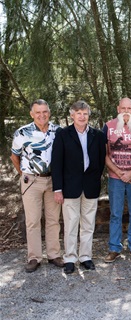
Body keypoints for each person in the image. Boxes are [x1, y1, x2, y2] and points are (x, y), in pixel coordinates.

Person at [52, 101, 106, 274]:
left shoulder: (97, 135)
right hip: (70, 187)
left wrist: (95, 179)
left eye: (85, 113)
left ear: (89, 115)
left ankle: (85, 257)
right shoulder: (63, 134)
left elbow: (100, 160)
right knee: (71, 224)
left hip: (91, 186)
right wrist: (57, 188)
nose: (82, 116)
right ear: (72, 115)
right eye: (78, 113)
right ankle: (70, 258)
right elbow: (57, 163)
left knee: (88, 223)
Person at [10, 99, 64, 273]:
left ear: (49, 112)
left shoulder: (58, 131)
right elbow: (14, 157)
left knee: (53, 219)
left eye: (45, 111)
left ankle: (54, 254)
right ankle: (34, 257)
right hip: (31, 181)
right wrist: (24, 174)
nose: (42, 115)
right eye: (38, 112)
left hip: (53, 181)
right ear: (31, 114)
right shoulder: (22, 133)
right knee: (33, 221)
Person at [103, 98, 131, 263]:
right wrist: (120, 173)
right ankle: (114, 248)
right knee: (115, 214)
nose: (126, 111)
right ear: (118, 108)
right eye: (123, 108)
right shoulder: (108, 126)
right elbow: (104, 155)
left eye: (129, 108)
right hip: (115, 178)